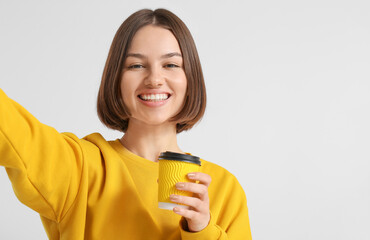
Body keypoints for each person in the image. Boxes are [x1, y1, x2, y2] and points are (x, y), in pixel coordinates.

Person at [0, 8, 251, 239]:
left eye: (171, 64)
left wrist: (202, 229)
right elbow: (11, 128)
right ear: (116, 80)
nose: (154, 79)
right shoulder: (80, 168)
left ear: (190, 79)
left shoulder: (224, 188)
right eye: (136, 65)